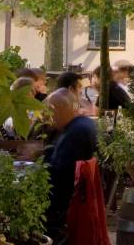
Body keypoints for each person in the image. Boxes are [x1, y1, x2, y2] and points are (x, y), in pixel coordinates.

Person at [42, 88, 98, 243]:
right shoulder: (81, 124)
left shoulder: (74, 133)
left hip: (61, 203)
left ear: (57, 110)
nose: (48, 117)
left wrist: (36, 168)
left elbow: (58, 174)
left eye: (49, 112)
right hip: (73, 194)